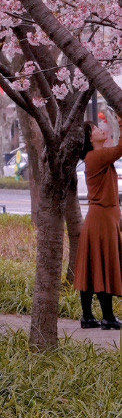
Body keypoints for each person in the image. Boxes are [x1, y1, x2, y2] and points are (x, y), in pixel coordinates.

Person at [75, 118, 122, 329]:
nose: (99, 129)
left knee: (93, 266)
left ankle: (89, 317)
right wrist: (121, 122)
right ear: (89, 138)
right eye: (94, 129)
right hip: (102, 219)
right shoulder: (96, 156)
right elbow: (120, 149)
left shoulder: (96, 157)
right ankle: (107, 317)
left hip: (101, 218)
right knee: (104, 265)